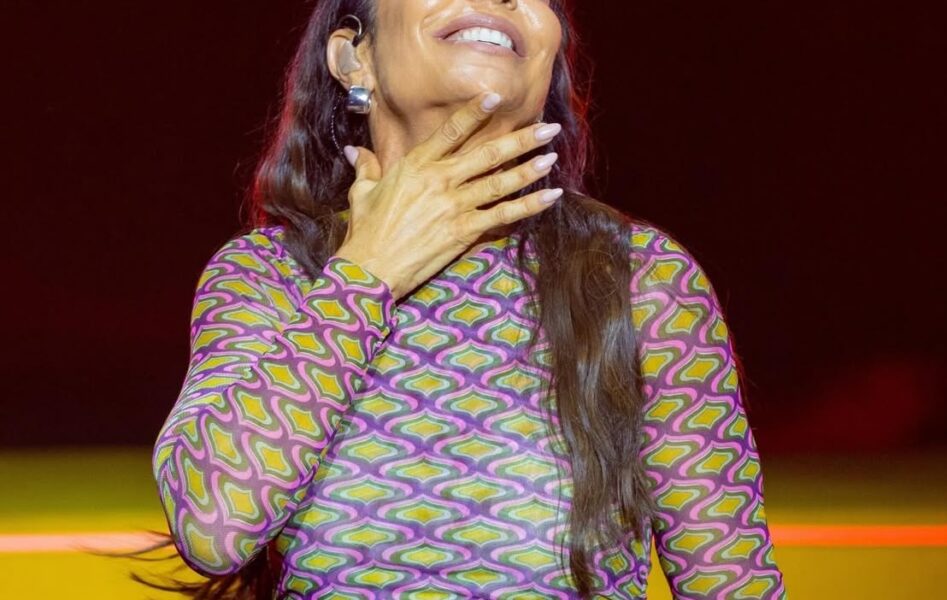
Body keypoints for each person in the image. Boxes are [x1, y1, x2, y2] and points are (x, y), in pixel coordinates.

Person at [142, 0, 788, 598]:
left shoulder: (639, 279)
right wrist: (367, 273)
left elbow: (732, 585)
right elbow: (214, 527)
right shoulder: (267, 276)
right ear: (352, 58)